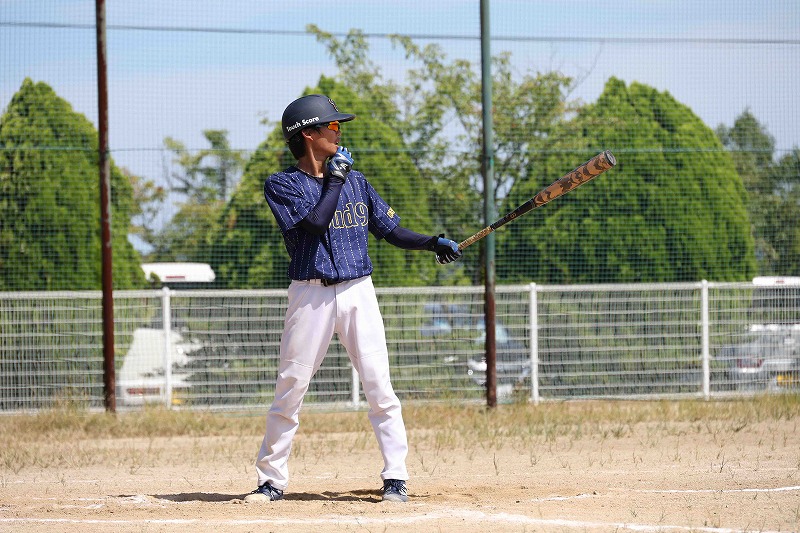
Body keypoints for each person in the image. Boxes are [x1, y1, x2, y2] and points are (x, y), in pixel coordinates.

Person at [244, 94, 462, 504]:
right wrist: (335, 179)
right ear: (308, 134)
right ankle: (271, 480)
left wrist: (432, 242)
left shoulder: (356, 181)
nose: (338, 131)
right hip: (311, 294)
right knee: (290, 387)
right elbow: (314, 224)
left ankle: (395, 477)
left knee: (379, 384)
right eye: (332, 125)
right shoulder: (282, 184)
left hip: (358, 290)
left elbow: (390, 230)